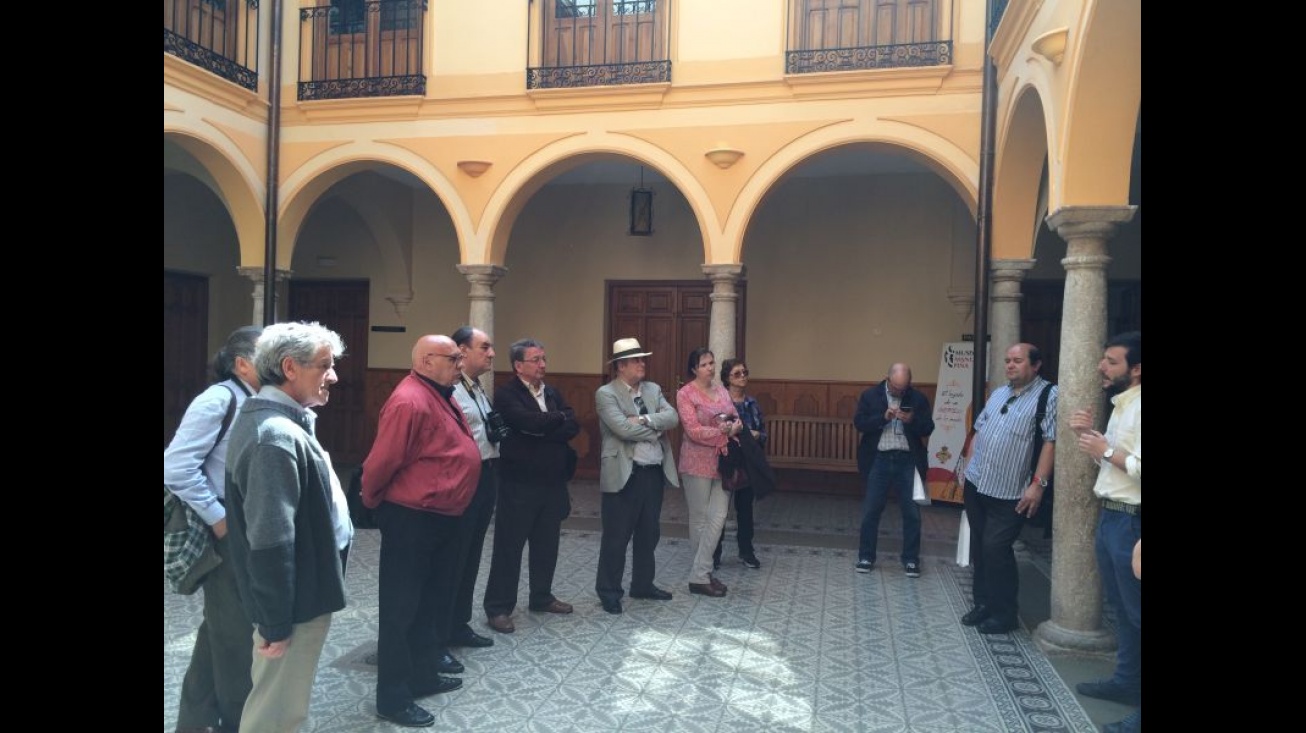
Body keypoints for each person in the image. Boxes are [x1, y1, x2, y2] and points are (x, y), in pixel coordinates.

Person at [224, 321, 353, 733]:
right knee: (275, 712)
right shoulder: (273, 436)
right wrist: (276, 623)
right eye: (324, 365)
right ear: (289, 368)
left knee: (287, 703)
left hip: (302, 595)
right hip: (293, 605)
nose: (333, 375)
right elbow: (270, 540)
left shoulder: (286, 421)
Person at [361, 335, 481, 728]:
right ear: (428, 360)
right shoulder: (409, 400)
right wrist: (373, 500)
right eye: (453, 358)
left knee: (430, 601)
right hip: (413, 516)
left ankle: (423, 676)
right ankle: (393, 698)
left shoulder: (439, 391)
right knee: (402, 609)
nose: (460, 364)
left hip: (442, 514)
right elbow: (382, 461)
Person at [164, 325, 262, 733]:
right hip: (227, 535)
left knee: (220, 633)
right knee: (236, 642)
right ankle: (235, 724)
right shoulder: (219, 399)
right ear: (242, 363)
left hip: (245, 530)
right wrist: (219, 520)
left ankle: (192, 722)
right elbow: (175, 467)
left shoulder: (256, 400)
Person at [1069, 331, 1141, 733]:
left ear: (1136, 369)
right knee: (1125, 614)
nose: (1101, 366)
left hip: (1133, 521)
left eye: (1111, 361)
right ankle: (1127, 682)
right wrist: (1093, 442)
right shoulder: (1121, 405)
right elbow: (1117, 467)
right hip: (1113, 515)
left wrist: (1107, 451)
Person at [483, 338, 580, 633]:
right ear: (518, 365)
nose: (542, 365)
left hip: (552, 483)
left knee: (547, 544)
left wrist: (548, 423)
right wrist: (552, 423)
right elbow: (526, 422)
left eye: (544, 359)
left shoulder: (551, 392)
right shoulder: (506, 394)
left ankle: (541, 596)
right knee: (509, 547)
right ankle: (498, 608)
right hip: (519, 484)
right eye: (536, 360)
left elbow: (572, 424)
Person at [958, 343, 1056, 635]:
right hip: (978, 485)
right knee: (980, 546)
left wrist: (1037, 486)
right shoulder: (999, 392)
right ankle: (983, 604)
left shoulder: (1049, 395)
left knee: (996, 548)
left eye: (1017, 361)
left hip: (1011, 491)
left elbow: (1050, 443)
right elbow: (979, 430)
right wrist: (967, 467)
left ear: (1036, 365)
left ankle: (1005, 614)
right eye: (1007, 361)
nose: (1010, 365)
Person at [594, 338, 680, 614]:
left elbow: (673, 418)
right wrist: (655, 427)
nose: (643, 364)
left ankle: (643, 584)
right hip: (623, 474)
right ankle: (609, 591)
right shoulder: (606, 394)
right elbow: (622, 430)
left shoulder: (653, 389)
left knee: (649, 533)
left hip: (653, 472)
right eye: (636, 360)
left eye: (643, 359)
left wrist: (643, 420)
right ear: (621, 366)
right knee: (616, 536)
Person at [853, 363, 936, 578]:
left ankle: (910, 559)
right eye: (897, 387)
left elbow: (928, 427)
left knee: (912, 513)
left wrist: (912, 421)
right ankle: (866, 556)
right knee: (871, 511)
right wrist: (883, 418)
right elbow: (859, 423)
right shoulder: (870, 396)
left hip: (907, 461)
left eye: (904, 387)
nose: (900, 392)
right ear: (888, 380)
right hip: (878, 460)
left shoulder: (917, 398)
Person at [447, 327, 501, 649]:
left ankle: (459, 623)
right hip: (464, 479)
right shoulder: (452, 390)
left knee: (472, 554)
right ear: (462, 352)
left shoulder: (476, 387)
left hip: (486, 475)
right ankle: (444, 627)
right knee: (457, 555)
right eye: (485, 347)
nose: (492, 353)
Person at [676, 347, 740, 598]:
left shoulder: (722, 390)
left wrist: (734, 426)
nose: (710, 368)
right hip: (696, 463)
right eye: (704, 364)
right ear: (694, 369)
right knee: (700, 518)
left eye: (712, 363)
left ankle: (700, 573)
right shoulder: (685, 393)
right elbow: (693, 431)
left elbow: (736, 418)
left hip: (723, 461)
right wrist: (722, 432)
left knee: (719, 516)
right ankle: (702, 575)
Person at [713, 358, 766, 571]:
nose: (743, 376)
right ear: (727, 379)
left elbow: (762, 433)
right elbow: (718, 429)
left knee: (745, 508)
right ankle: (714, 553)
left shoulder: (752, 403)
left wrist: (754, 434)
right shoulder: (720, 403)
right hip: (726, 458)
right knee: (720, 509)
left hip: (748, 460)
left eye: (745, 372)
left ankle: (746, 551)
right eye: (737, 374)